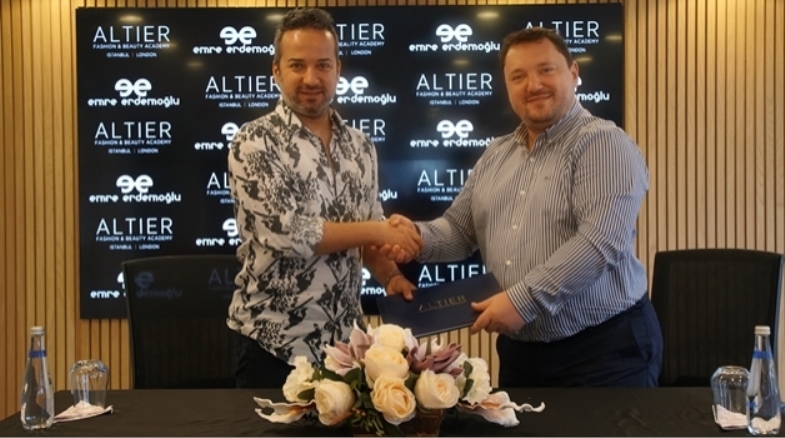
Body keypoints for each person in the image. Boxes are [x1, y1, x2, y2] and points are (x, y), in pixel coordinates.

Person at [385, 27, 663, 388]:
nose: (533, 85)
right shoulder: (496, 154)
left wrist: (522, 301)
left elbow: (599, 242)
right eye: (518, 76)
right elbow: (459, 230)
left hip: (604, 352)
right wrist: (417, 237)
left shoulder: (603, 144)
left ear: (573, 73)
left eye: (546, 70)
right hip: (522, 354)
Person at [226, 7, 418, 389]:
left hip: (346, 350)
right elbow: (292, 234)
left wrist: (391, 276)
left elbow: (369, 237)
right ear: (276, 70)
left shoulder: (361, 146)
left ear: (338, 69)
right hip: (274, 350)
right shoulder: (253, 141)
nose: (311, 78)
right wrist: (380, 230)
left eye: (323, 65)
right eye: (297, 65)